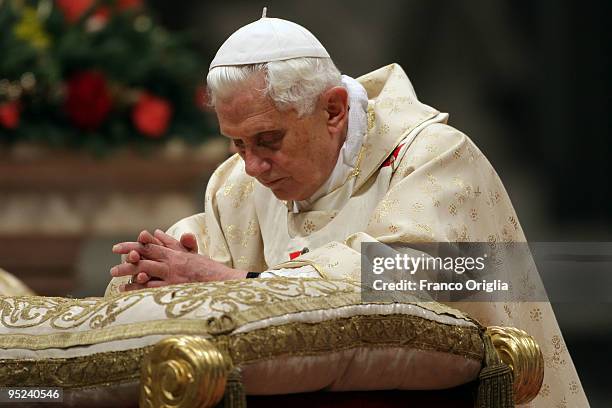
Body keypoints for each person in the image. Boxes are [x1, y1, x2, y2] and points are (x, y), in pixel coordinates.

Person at [105, 13, 589, 407]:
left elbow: (409, 275)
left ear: (333, 109)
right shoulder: (235, 184)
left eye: (268, 140)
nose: (252, 165)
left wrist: (234, 284)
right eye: (237, 143)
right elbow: (201, 259)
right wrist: (154, 269)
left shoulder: (434, 158)